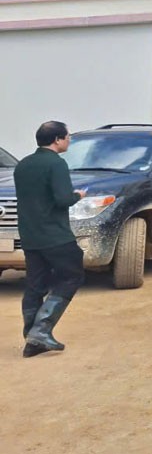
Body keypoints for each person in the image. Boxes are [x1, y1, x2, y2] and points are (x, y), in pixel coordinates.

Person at [14, 121, 87, 357]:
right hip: (55, 234)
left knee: (35, 283)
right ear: (57, 139)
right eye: (67, 137)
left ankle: (32, 337)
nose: (69, 141)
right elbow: (62, 199)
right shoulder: (56, 164)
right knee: (72, 275)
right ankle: (41, 330)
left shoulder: (23, 165)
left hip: (30, 234)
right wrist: (78, 195)